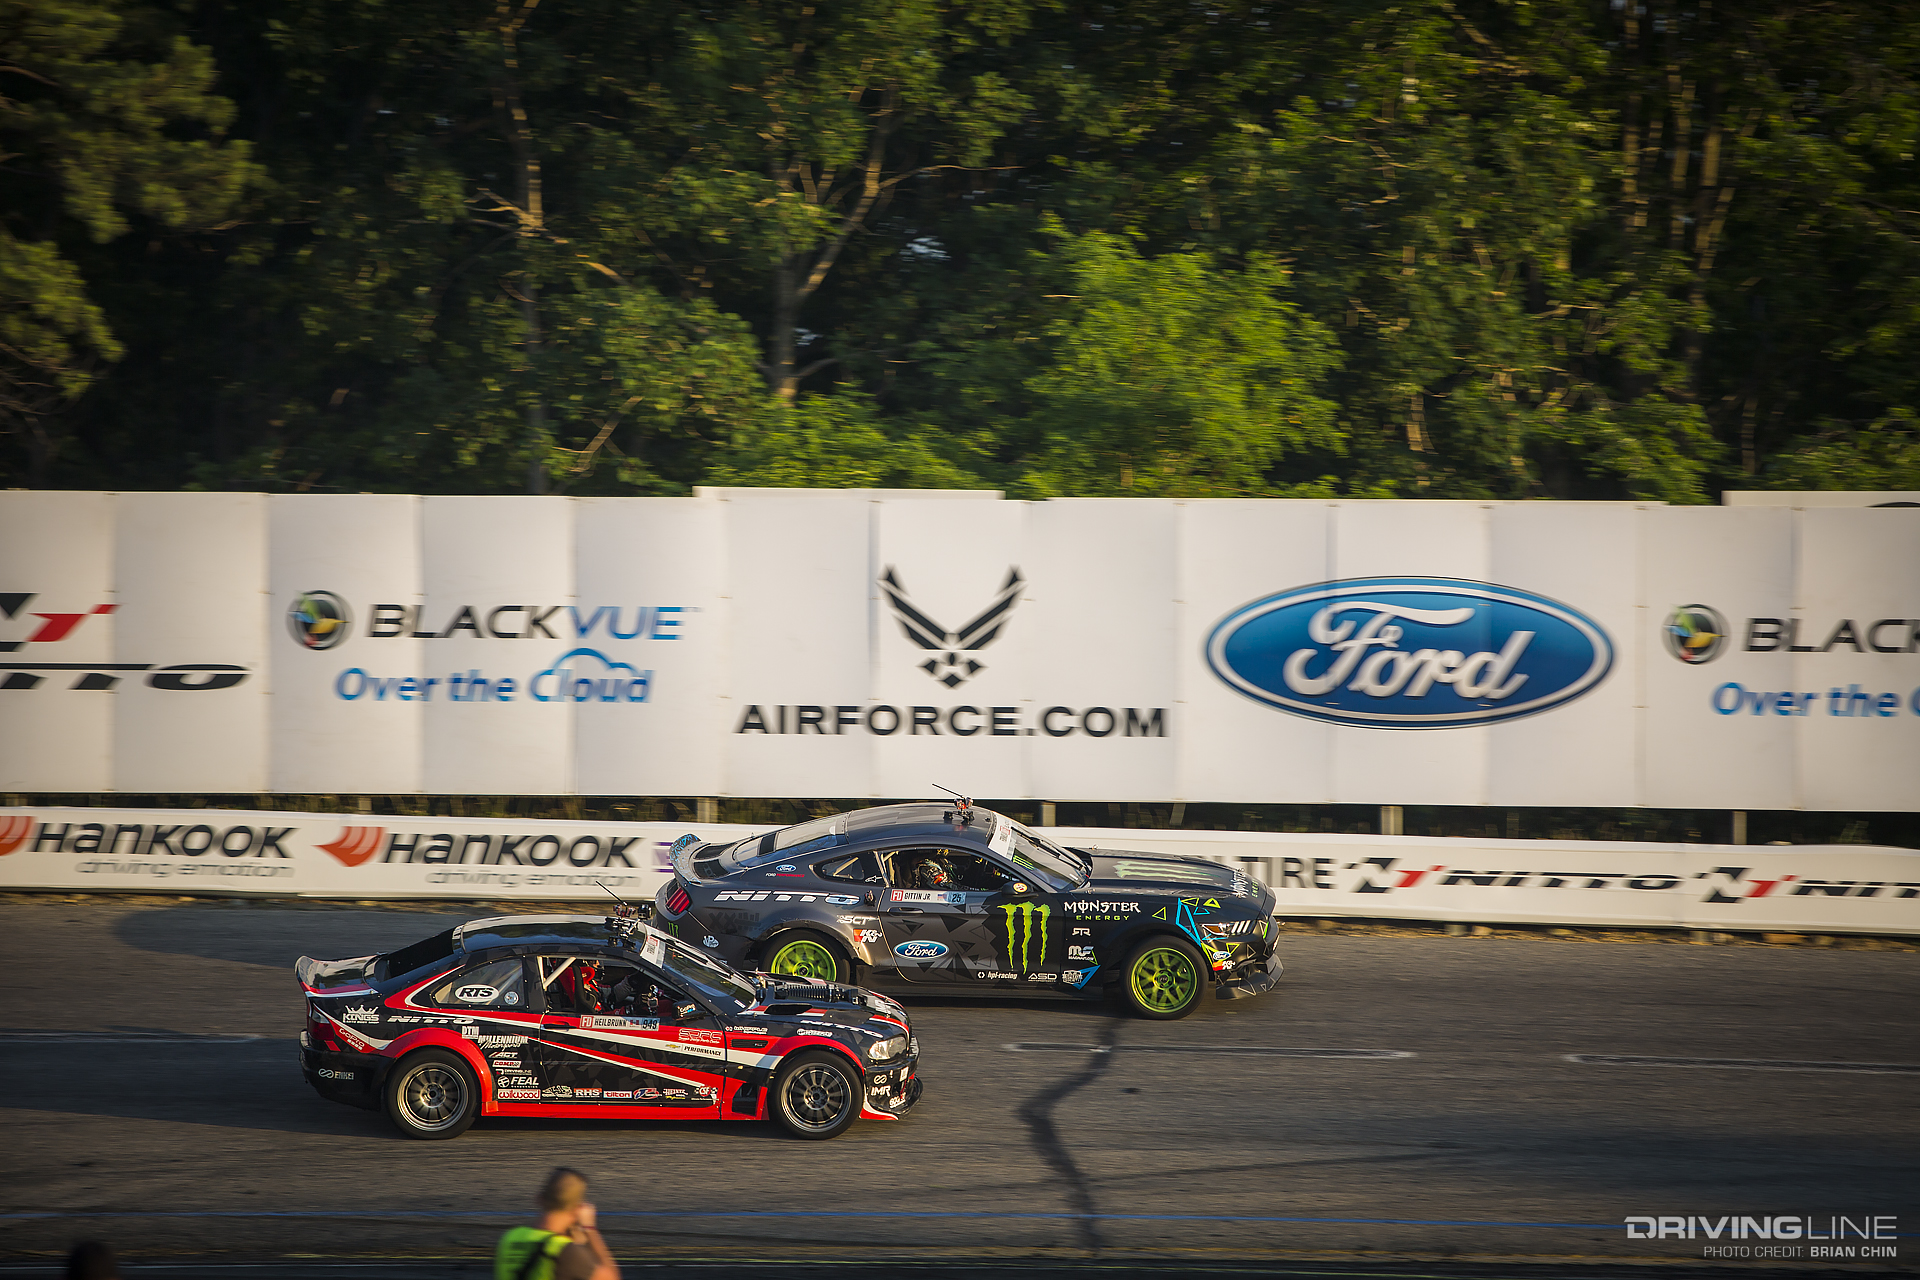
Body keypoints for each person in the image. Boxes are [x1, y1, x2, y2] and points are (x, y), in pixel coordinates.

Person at [495, 1167, 619, 1280]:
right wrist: (589, 1229)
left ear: (539, 1198)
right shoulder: (565, 1251)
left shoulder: (509, 1238)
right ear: (577, 1210)